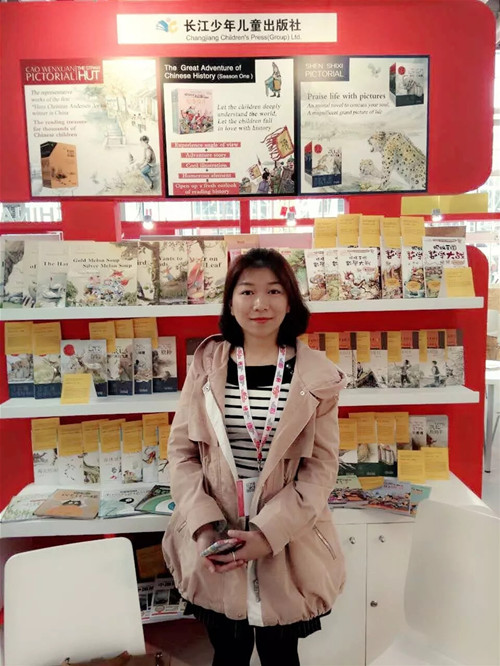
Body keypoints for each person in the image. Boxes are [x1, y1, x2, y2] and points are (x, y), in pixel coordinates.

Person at [162, 248, 347, 666]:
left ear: (290, 301)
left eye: (273, 291)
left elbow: (320, 470)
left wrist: (266, 535)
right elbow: (182, 453)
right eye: (247, 291)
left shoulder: (317, 375)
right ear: (230, 302)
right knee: (227, 654)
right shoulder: (207, 366)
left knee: (281, 656)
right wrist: (203, 526)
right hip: (217, 538)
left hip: (286, 543)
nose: (260, 303)